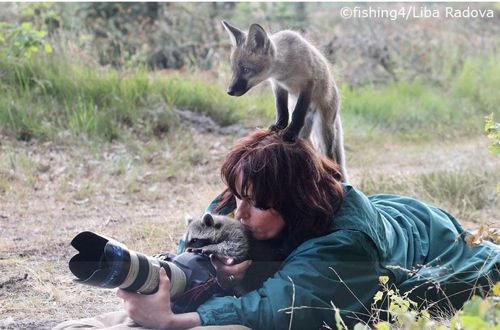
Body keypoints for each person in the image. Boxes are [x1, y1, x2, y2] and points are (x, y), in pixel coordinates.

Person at [55, 129, 499, 330]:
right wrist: (178, 275)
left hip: (423, 234)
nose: (239, 211)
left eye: (257, 203)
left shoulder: (346, 245)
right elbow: (196, 245)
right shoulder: (246, 200)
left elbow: (283, 308)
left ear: (293, 203)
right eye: (236, 194)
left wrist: (176, 319)